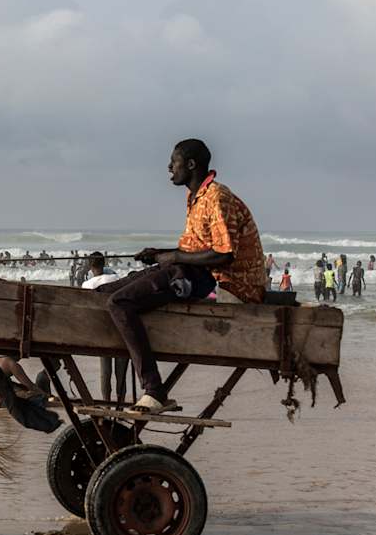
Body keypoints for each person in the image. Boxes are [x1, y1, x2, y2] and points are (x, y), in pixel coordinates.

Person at [101, 139, 264, 412]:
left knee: (120, 303)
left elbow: (224, 255)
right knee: (106, 292)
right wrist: (159, 253)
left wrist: (173, 257)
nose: (168, 167)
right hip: (193, 271)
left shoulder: (216, 197)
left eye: (173, 162)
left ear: (190, 165)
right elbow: (192, 249)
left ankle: (154, 391)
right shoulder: (195, 197)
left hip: (224, 284)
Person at [82, 253, 129, 405]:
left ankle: (107, 402)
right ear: (105, 263)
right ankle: (120, 406)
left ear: (90, 267)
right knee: (121, 373)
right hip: (121, 330)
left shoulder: (87, 285)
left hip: (102, 333)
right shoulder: (115, 279)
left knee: (105, 372)